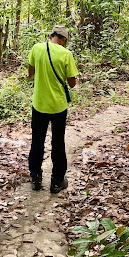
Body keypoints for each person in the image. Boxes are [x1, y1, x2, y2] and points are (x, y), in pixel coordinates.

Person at [28, 25, 79, 194]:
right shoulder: (66, 54)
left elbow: (30, 73)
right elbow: (72, 83)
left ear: (51, 36)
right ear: (63, 39)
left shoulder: (37, 48)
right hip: (58, 106)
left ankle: (35, 177)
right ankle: (57, 181)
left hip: (39, 104)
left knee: (37, 141)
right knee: (58, 142)